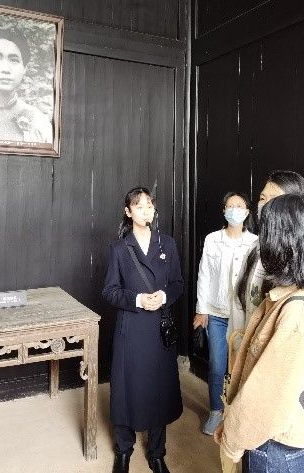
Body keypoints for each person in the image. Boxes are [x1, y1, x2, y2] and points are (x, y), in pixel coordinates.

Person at [215, 192, 304, 473]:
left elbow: (267, 399)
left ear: (285, 243)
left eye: (267, 234)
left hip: (278, 451)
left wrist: (232, 440)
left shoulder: (298, 312)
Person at [102, 187, 184, 473]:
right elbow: (109, 291)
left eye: (149, 205)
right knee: (125, 389)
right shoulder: (119, 248)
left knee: (159, 387)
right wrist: (137, 300)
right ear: (128, 212)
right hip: (131, 327)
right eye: (139, 206)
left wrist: (164, 296)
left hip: (159, 327)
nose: (146, 210)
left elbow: (177, 284)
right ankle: (123, 450)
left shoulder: (167, 244)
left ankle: (157, 453)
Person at [192, 191, 257, 435]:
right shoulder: (213, 239)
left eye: (239, 206)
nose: (234, 210)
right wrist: (202, 310)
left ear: (247, 212)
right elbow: (204, 276)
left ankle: (238, 413)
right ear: (224, 211)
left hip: (244, 315)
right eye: (230, 206)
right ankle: (216, 411)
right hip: (216, 313)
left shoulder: (255, 243)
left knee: (241, 366)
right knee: (217, 365)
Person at [227, 171, 304, 341]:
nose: (265, 205)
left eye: (274, 199)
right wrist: (237, 346)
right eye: (262, 198)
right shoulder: (254, 248)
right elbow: (239, 304)